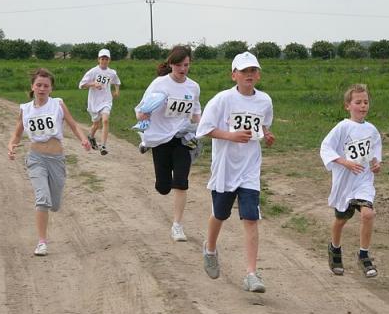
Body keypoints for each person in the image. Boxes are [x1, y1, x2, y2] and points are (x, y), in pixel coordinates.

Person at [196, 51, 275, 293]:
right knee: (220, 214)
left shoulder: (265, 101)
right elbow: (204, 129)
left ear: (258, 75)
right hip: (225, 168)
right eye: (244, 71)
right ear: (234, 75)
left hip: (250, 169)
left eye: (253, 70)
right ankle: (210, 248)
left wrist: (267, 134)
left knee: (251, 217)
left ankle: (251, 273)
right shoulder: (222, 100)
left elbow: (262, 125)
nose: (249, 75)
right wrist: (230, 135)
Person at [7, 68, 91, 256]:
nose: (42, 89)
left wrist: (83, 139)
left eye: (46, 86)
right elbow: (17, 133)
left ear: (51, 88)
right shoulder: (25, 109)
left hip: (56, 159)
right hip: (35, 158)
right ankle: (42, 242)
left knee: (55, 204)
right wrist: (11, 145)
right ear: (32, 87)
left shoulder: (58, 104)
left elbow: (73, 124)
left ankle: (50, 208)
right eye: (38, 85)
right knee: (42, 199)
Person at [134, 45, 201, 242]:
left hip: (183, 138)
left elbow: (196, 113)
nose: (183, 69)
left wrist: (203, 126)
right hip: (161, 138)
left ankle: (177, 226)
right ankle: (146, 141)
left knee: (181, 181)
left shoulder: (193, 87)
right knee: (163, 187)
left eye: (186, 65)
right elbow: (140, 110)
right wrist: (143, 114)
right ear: (171, 64)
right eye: (179, 65)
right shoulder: (159, 84)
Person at [320, 83, 383, 278]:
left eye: (366, 102)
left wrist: (376, 164)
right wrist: (344, 162)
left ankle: (364, 255)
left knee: (368, 214)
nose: (363, 106)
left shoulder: (372, 130)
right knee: (341, 219)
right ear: (348, 106)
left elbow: (375, 152)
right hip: (345, 183)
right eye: (358, 102)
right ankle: (335, 248)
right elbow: (326, 147)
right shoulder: (342, 127)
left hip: (363, 181)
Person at [78, 48, 121, 156]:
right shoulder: (93, 71)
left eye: (106, 59)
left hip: (106, 100)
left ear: (109, 60)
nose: (104, 61)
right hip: (94, 102)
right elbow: (81, 85)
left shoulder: (111, 73)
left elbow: (117, 81)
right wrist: (93, 84)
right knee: (96, 125)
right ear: (98, 59)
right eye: (102, 59)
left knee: (105, 120)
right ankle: (91, 137)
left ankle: (103, 146)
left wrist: (116, 91)